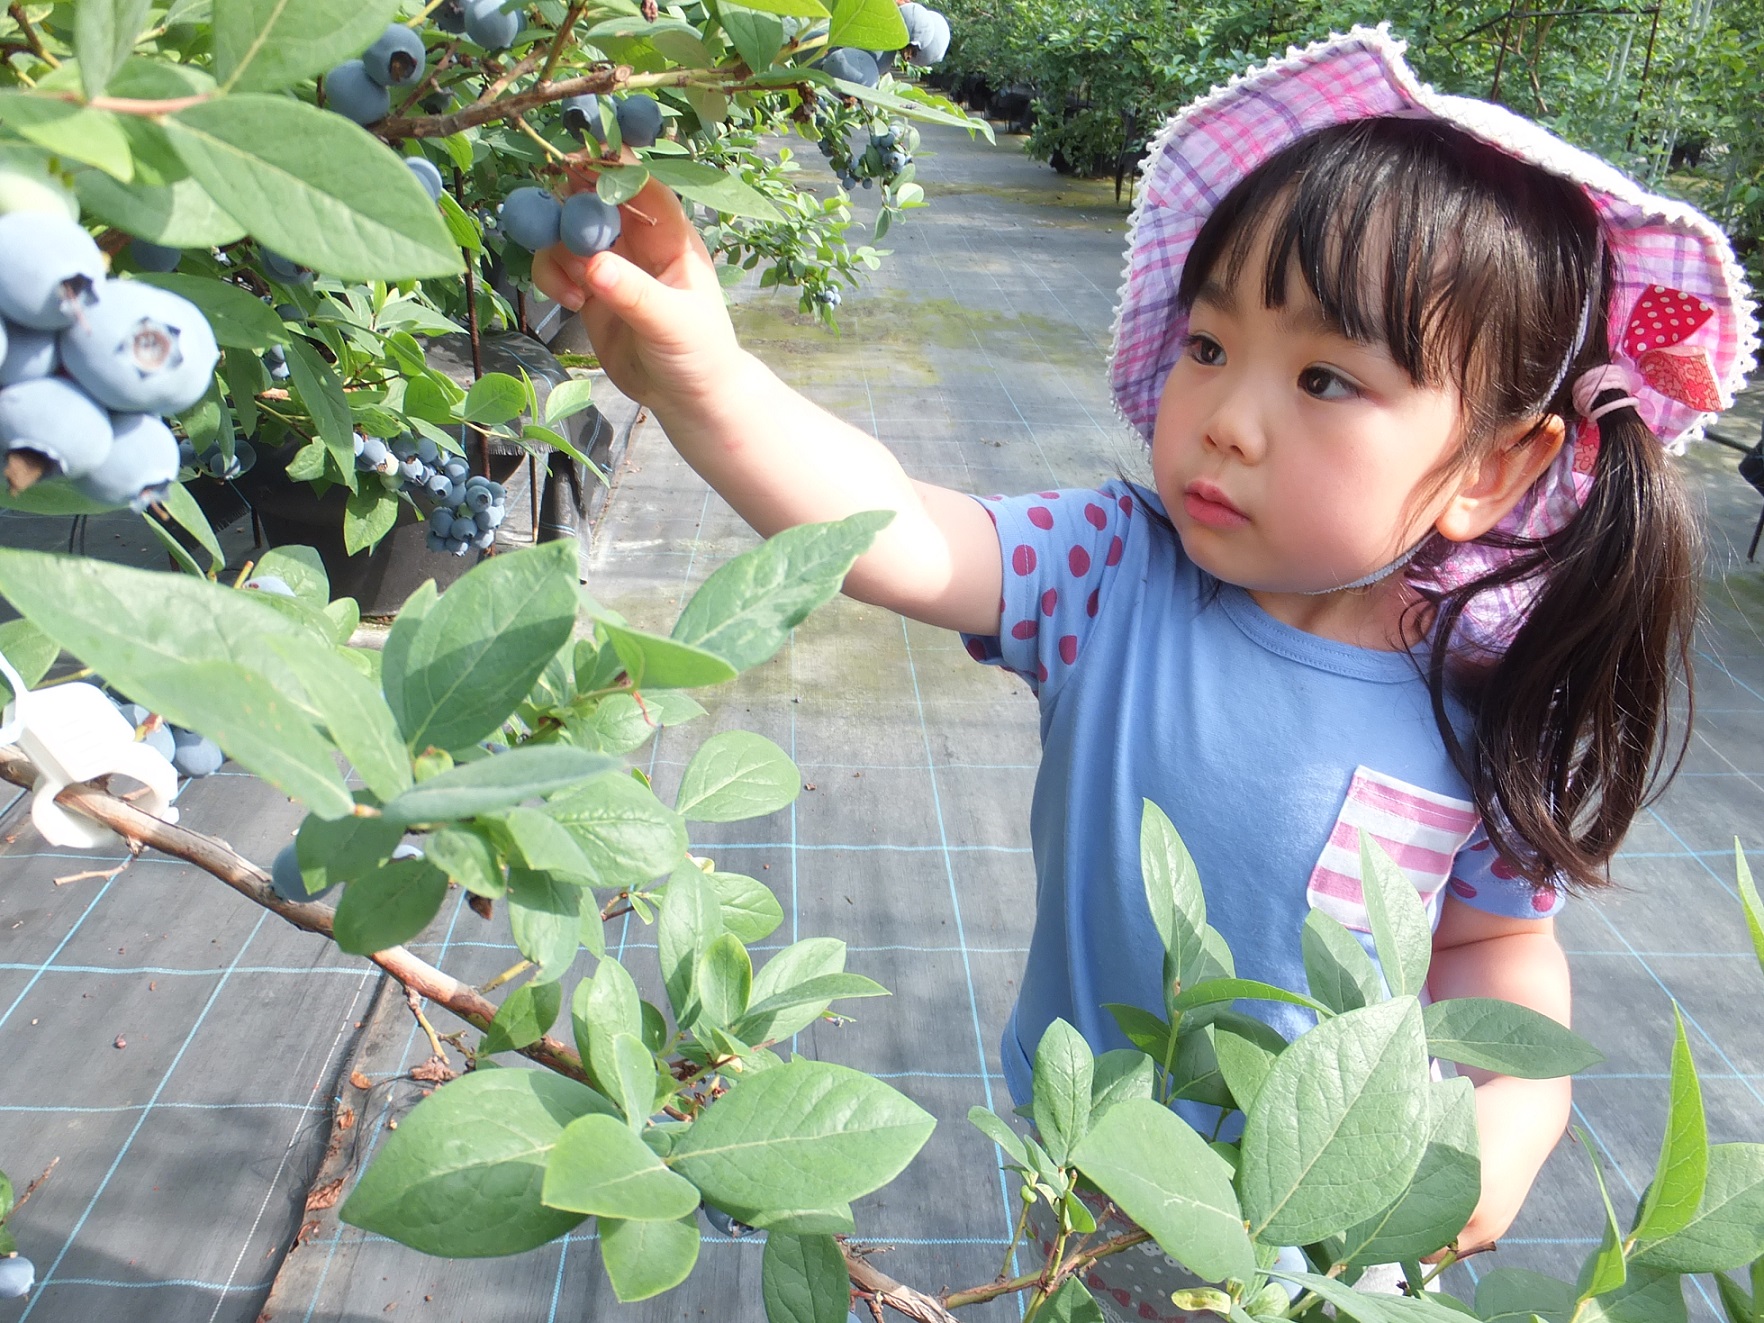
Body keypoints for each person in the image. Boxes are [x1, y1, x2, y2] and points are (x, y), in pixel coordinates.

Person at [533, 26, 1753, 1318]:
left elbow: (1496, 945)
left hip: (1330, 1235)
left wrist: (1512, 1117)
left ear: (1494, 468)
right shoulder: (1115, 574)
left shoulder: (1484, 702)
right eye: (1210, 345)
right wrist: (709, 380)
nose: (1227, 418)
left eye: (1325, 377)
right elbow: (894, 529)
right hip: (1093, 1173)